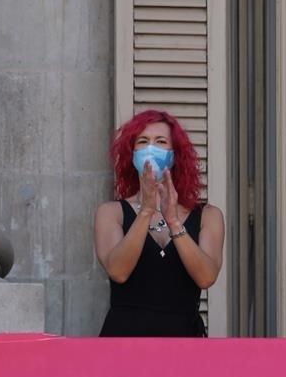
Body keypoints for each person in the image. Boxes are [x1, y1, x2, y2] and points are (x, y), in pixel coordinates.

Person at [93, 110, 225, 337]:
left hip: (183, 343)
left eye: (160, 141)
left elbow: (206, 276)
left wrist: (173, 221)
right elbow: (118, 271)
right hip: (123, 343)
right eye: (142, 142)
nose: (150, 148)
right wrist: (146, 211)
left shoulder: (209, 215)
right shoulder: (111, 213)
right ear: (131, 153)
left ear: (176, 154)